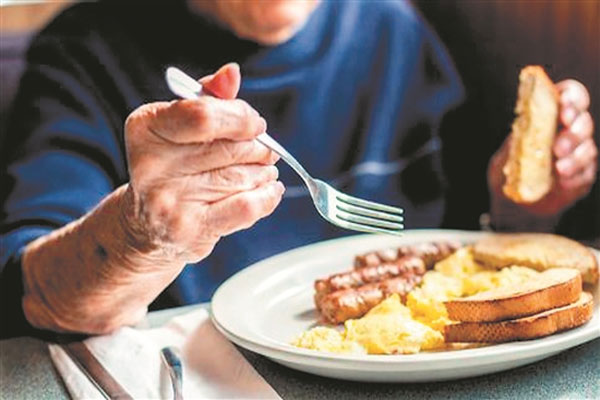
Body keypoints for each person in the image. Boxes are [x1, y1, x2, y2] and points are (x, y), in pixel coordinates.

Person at [1, 0, 596, 338]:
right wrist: (137, 238)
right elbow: (29, 291)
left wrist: (524, 208)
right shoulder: (85, 52)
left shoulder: (395, 26)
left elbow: (472, 231)